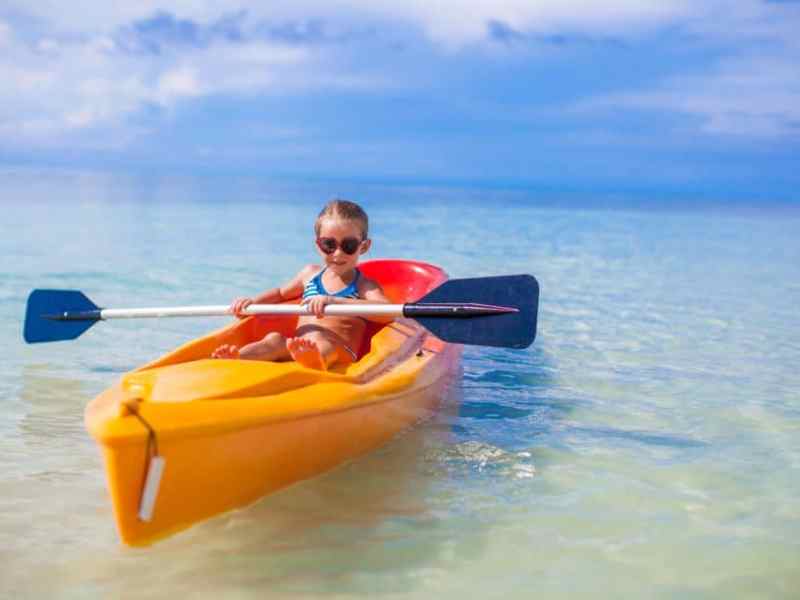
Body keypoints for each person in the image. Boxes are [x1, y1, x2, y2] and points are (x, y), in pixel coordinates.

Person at [211, 199, 392, 370]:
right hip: (299, 347)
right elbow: (281, 294)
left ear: (364, 247)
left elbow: (386, 311)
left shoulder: (363, 284)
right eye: (329, 244)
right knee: (274, 340)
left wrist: (334, 301)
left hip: (339, 352)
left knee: (324, 343)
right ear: (318, 244)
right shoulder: (310, 274)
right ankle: (239, 357)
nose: (338, 253)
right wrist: (250, 304)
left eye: (349, 245)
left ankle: (317, 360)